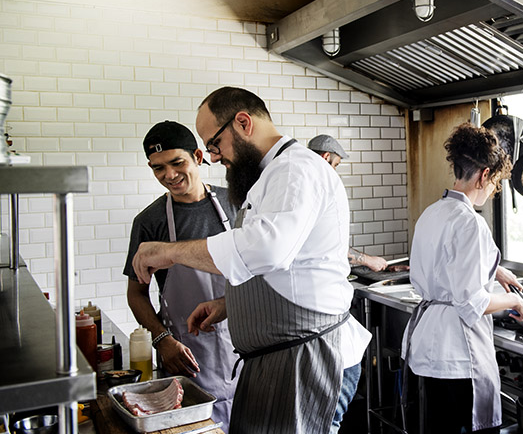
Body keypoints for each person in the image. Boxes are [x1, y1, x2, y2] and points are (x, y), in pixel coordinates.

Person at [131, 87, 371, 434]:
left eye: (214, 144)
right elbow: (286, 270)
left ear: (243, 123)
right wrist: (230, 303)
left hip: (308, 358)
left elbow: (266, 250)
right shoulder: (270, 176)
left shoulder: (295, 170)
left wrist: (168, 251)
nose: (214, 157)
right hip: (282, 359)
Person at [402, 122, 523, 434]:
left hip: (428, 348)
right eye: (495, 182)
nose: (492, 190)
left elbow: (444, 265)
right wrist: (514, 300)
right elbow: (472, 302)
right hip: (458, 355)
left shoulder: (433, 212)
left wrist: (493, 268)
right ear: (484, 175)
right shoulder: (471, 223)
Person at [124, 121, 238, 427]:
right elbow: (136, 293)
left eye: (177, 163)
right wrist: (162, 340)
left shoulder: (237, 202)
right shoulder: (150, 221)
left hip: (245, 345)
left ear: (198, 157)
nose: (169, 176)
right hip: (187, 354)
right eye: (158, 168)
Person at [307, 133, 395, 272]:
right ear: (326, 157)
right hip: (317, 279)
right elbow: (330, 246)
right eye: (335, 165)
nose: (334, 171)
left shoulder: (306, 185)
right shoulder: (318, 191)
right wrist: (369, 260)